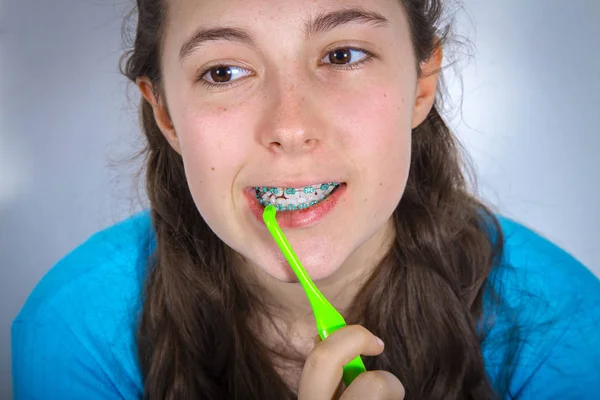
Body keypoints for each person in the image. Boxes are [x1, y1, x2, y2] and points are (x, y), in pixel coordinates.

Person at [11, 0, 600, 398]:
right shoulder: (72, 330)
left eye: (343, 55)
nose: (290, 127)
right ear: (164, 112)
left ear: (421, 84)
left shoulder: (569, 328)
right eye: (223, 72)